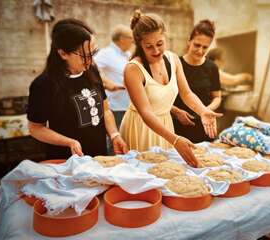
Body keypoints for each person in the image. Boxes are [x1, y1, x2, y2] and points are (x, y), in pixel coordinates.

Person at [119, 10, 222, 167]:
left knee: (163, 172)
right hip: (141, 127)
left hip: (166, 126)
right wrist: (174, 139)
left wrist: (203, 111)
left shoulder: (173, 59)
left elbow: (186, 93)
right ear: (140, 44)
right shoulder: (133, 69)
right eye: (149, 47)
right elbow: (145, 112)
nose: (156, 51)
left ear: (165, 38)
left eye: (160, 44)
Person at [27, 18, 128, 160]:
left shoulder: (92, 70)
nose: (91, 61)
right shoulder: (44, 85)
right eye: (85, 56)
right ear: (63, 54)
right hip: (66, 162)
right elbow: (35, 128)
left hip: (98, 157)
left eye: (93, 53)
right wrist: (68, 142)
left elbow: (105, 110)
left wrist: (114, 135)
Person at [171, 20, 221, 143]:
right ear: (189, 41)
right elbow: (161, 97)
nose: (200, 51)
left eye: (205, 47)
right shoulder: (175, 64)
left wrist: (206, 110)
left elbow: (217, 97)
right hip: (176, 127)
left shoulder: (212, 67)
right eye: (197, 45)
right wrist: (176, 111)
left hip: (204, 126)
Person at [94, 24, 133, 127]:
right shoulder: (106, 53)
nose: (133, 41)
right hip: (115, 108)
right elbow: (91, 68)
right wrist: (106, 82)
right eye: (131, 38)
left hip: (129, 107)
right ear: (122, 39)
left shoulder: (128, 55)